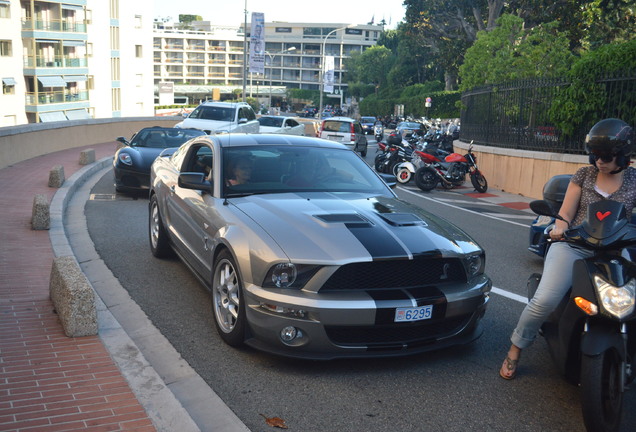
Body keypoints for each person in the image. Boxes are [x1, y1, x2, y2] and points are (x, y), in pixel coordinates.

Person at [500, 118, 636, 380]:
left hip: (616, 251)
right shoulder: (583, 175)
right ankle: (516, 348)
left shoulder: (633, 180)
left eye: (606, 156)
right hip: (575, 246)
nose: (599, 161)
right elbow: (566, 213)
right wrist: (559, 227)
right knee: (545, 300)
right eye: (595, 155)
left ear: (623, 155)